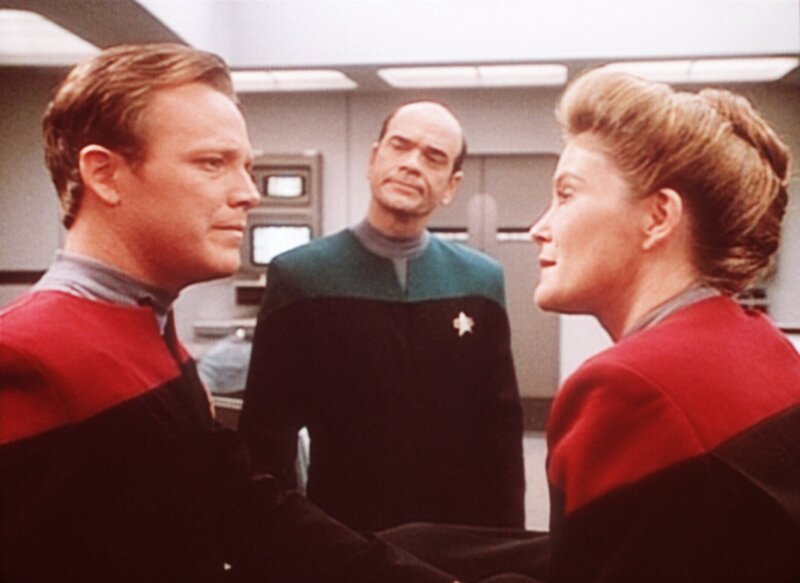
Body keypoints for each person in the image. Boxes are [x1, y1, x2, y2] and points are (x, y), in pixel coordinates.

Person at [0, 42, 522, 583]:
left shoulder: (151, 337)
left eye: (246, 167)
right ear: (105, 175)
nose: (249, 193)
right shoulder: (27, 356)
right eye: (213, 163)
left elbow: (249, 512)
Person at [528, 67, 800, 581]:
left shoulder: (627, 390)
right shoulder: (763, 343)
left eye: (566, 194)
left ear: (657, 218)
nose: (539, 228)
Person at [240, 100, 526, 532]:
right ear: (374, 159)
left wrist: (506, 545)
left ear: (451, 185)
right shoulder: (302, 277)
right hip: (344, 536)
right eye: (400, 146)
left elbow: (500, 436)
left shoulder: (479, 281)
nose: (412, 164)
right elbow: (267, 439)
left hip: (455, 540)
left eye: (433, 157)